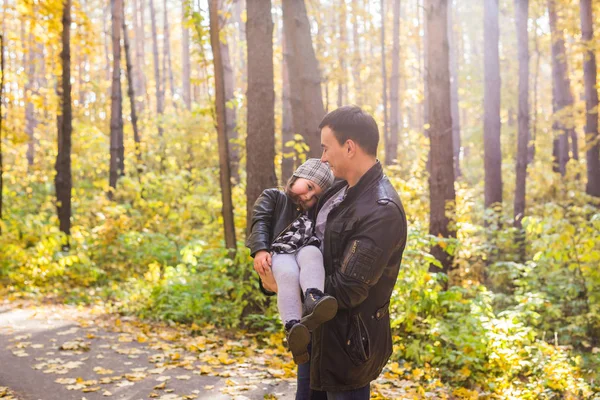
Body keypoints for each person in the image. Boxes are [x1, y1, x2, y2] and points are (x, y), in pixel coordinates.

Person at [258, 106, 407, 399]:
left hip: (347, 347)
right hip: (315, 334)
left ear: (349, 147)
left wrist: (285, 288)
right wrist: (272, 263)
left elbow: (349, 289)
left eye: (326, 148)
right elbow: (298, 236)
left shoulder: (380, 210)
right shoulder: (338, 190)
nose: (323, 157)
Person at [246, 159, 338, 364]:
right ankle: (293, 327)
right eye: (309, 187)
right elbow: (259, 222)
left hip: (306, 247)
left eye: (315, 196)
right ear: (298, 175)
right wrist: (260, 250)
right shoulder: (274, 196)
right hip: (281, 252)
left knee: (313, 256)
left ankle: (314, 297)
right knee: (287, 275)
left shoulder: (315, 212)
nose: (308, 196)